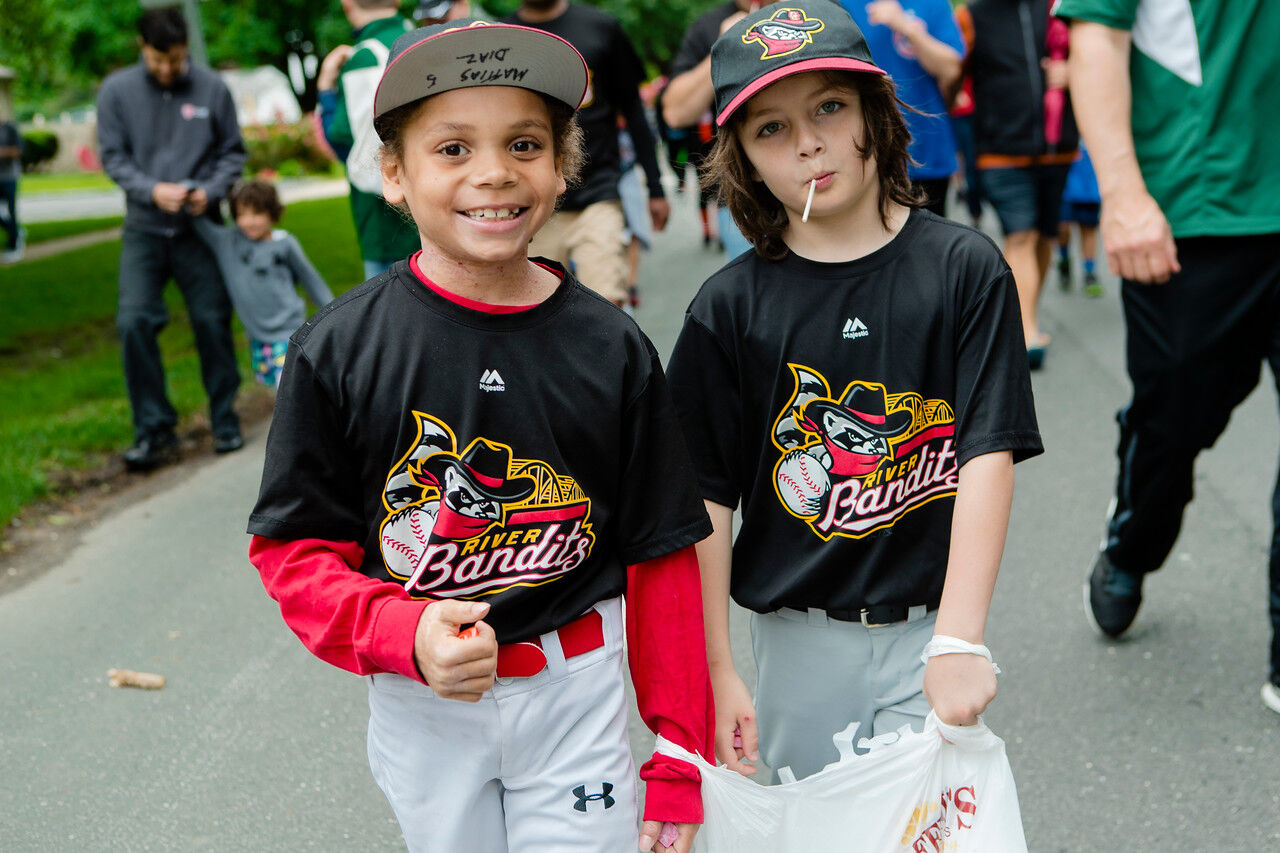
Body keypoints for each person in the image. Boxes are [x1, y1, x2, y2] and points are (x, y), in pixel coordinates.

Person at [247, 20, 714, 853]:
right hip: (425, 700)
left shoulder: (609, 346)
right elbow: (294, 553)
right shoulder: (343, 347)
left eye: (525, 143)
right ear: (392, 173)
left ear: (562, 163)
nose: (494, 172)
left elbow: (662, 550)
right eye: (453, 148)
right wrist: (399, 630)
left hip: (576, 694)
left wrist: (680, 743)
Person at [665, 1, 1043, 783]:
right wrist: (716, 667)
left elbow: (984, 452)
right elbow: (704, 501)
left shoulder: (963, 270)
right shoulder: (728, 308)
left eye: (830, 107)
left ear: (875, 109)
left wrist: (961, 637)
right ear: (742, 156)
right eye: (771, 128)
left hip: (929, 629)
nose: (808, 143)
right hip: (799, 640)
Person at [1057, 0, 1280, 714]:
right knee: (1174, 420)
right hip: (1198, 206)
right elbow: (1096, 38)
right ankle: (1134, 541)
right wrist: (1121, 195)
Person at [96, 7, 246, 470]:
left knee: (210, 320)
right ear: (142, 48)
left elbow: (232, 152)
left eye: (176, 59)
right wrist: (150, 190)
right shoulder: (116, 91)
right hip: (144, 227)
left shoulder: (212, 88)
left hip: (199, 229)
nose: (167, 69)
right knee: (133, 322)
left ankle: (224, 419)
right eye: (158, 60)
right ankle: (154, 430)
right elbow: (114, 157)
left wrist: (211, 191)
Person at [504, 0, 669, 308]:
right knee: (534, 309)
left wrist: (655, 187)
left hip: (599, 192)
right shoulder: (501, 37)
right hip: (532, 204)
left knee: (606, 302)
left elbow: (633, 110)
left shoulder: (600, 28)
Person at [962, 0, 1078, 369]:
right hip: (1000, 149)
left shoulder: (1062, 9)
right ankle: (1025, 330)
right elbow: (952, 70)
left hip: (1058, 147)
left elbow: (1105, 54)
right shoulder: (972, 15)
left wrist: (1073, 71)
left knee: (1045, 235)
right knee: (1021, 234)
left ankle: (1026, 312)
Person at [188, 179, 334, 390]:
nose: (249, 221)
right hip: (258, 338)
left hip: (289, 331)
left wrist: (334, 315)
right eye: (242, 214)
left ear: (272, 213)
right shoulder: (227, 243)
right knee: (278, 392)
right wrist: (189, 191)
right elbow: (197, 219)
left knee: (288, 390)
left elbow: (311, 281)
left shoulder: (284, 243)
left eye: (256, 214)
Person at [316, 0, 419, 280]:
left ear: (347, 3)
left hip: (384, 219)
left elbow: (340, 140)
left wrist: (325, 88)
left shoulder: (364, 58)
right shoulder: (421, 41)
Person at [840, 0, 965, 217]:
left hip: (926, 150)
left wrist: (906, 27)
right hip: (865, 152)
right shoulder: (841, 5)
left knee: (930, 241)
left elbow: (951, 68)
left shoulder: (933, 4)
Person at [661, 0, 759, 260]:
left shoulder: (815, 9)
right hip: (741, 198)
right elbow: (675, 112)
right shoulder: (707, 27)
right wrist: (723, 46)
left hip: (816, 183)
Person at [1054, 145, 1101, 297]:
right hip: (1064, 179)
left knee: (1088, 228)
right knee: (1062, 228)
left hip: (1089, 182)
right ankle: (1065, 261)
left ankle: (1089, 273)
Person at [0, 112, 23, 264]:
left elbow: (18, 150)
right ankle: (15, 231)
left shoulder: (9, 129)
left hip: (9, 177)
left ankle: (13, 246)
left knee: (11, 211)